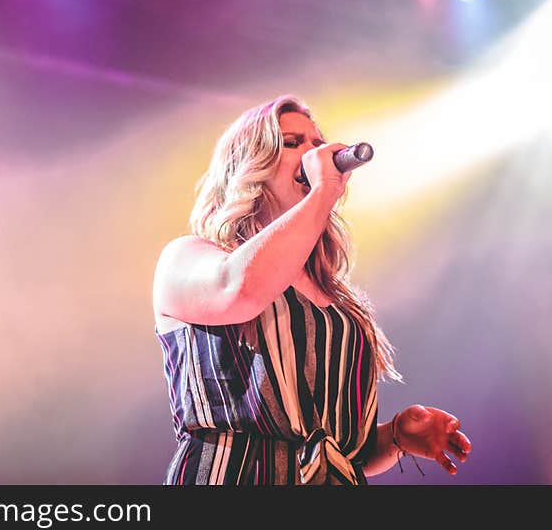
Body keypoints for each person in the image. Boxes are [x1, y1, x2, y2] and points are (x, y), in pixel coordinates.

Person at [153, 95, 471, 485]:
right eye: (292, 143)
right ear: (248, 166)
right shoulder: (189, 257)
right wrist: (322, 192)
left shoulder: (338, 300)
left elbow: (333, 449)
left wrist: (395, 437)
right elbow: (238, 292)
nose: (313, 154)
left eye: (318, 144)